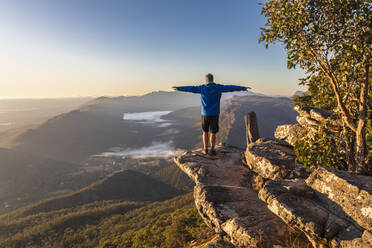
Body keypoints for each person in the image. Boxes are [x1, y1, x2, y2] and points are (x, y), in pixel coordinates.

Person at [172, 73, 250, 155]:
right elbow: (231, 87)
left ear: (206, 80)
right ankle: (212, 149)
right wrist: (243, 88)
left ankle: (205, 149)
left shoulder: (202, 88)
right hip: (215, 114)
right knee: (213, 132)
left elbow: (190, 88)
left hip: (205, 114)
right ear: (213, 79)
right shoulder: (219, 87)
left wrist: (179, 88)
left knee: (205, 132)